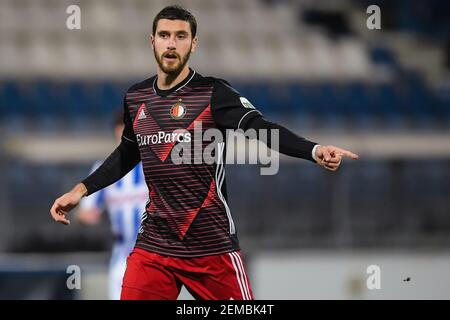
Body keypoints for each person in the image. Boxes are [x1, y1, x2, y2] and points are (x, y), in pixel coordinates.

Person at [50, 5, 359, 300]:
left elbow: (261, 128)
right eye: (164, 35)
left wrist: (314, 150)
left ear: (193, 44)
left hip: (212, 248)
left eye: (180, 36)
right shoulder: (136, 97)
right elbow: (127, 154)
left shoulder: (213, 92)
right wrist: (82, 189)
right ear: (152, 41)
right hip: (155, 248)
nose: (171, 44)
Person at [76, 110, 148, 300]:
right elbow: (86, 211)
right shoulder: (103, 170)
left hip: (152, 252)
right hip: (122, 255)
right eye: (121, 128)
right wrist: (84, 217)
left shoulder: (152, 166)